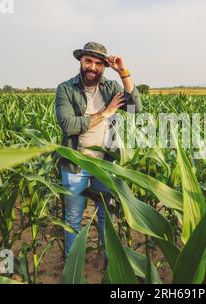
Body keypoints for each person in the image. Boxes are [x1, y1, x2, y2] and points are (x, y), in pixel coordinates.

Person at [54, 41, 142, 258]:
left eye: (98, 63)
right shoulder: (66, 89)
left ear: (104, 66)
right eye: (88, 61)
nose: (92, 67)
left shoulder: (110, 87)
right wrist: (105, 112)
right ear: (81, 61)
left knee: (106, 215)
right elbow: (69, 125)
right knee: (74, 218)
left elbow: (135, 108)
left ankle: (109, 262)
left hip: (105, 164)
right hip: (76, 164)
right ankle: (73, 268)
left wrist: (123, 73)